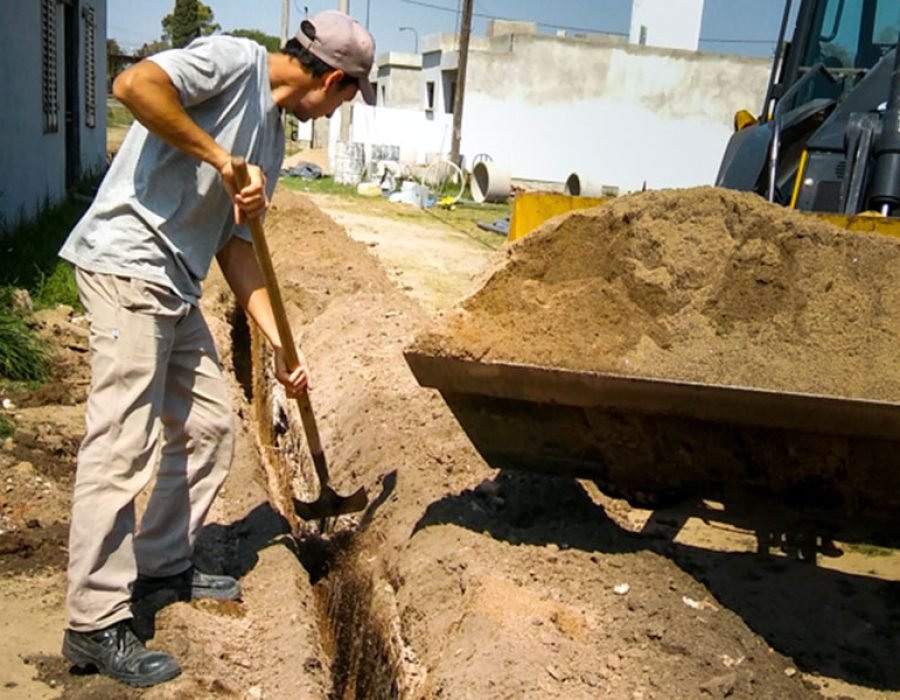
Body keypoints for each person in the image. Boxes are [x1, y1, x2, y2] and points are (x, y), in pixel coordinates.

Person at [58, 10, 375, 688]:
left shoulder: (275, 139)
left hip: (176, 281)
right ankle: (93, 622)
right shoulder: (233, 62)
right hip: (128, 262)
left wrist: (283, 344)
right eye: (351, 94)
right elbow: (133, 85)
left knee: (207, 427)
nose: (341, 109)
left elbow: (238, 250)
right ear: (336, 79)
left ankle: (162, 566)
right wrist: (219, 158)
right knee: (121, 445)